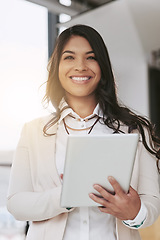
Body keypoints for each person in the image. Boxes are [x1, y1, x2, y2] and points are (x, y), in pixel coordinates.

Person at [7, 24, 160, 240]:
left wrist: (134, 213)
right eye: (69, 57)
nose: (80, 66)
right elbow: (16, 204)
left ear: (102, 66)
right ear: (56, 66)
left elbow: (152, 205)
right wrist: (64, 196)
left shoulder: (136, 129)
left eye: (91, 57)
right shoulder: (34, 131)